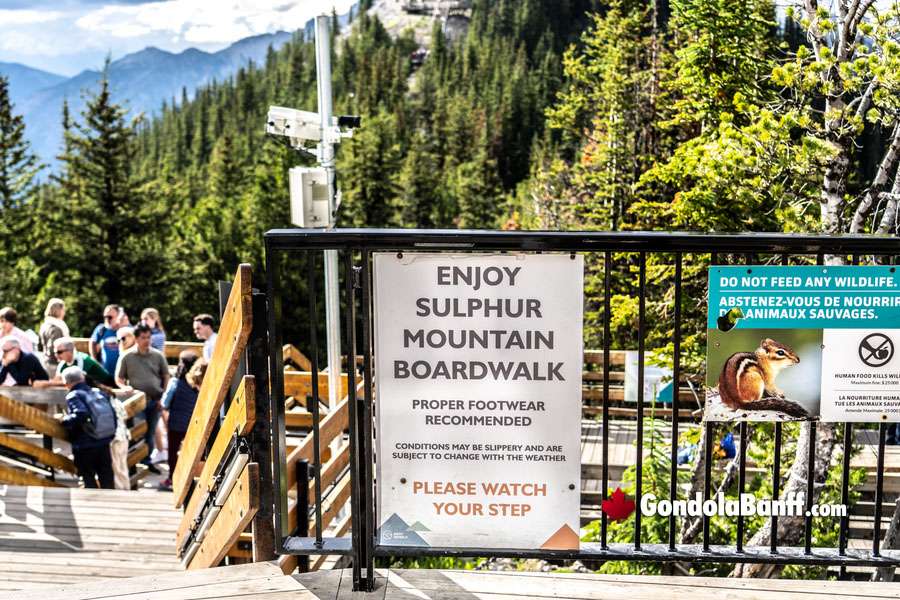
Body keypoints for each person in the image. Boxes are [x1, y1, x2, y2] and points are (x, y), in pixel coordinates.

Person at [115, 323, 169, 474]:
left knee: (150, 433)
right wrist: (124, 387)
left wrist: (163, 397)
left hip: (154, 400)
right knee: (136, 433)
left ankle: (147, 461)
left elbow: (166, 376)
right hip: (137, 403)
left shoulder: (157, 355)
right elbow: (119, 378)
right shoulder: (127, 356)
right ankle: (133, 463)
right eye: (143, 337)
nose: (147, 340)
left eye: (148, 337)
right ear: (136, 339)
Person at [58, 367, 115, 489]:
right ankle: (111, 502)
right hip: (104, 440)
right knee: (106, 475)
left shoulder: (73, 395)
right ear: (83, 378)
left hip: (85, 443)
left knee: (88, 477)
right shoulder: (98, 392)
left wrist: (64, 420)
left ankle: (93, 504)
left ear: (66, 385)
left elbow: (81, 414)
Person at [159, 352, 202, 490]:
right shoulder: (199, 384)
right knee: (194, 452)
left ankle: (173, 478)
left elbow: (165, 404)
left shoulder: (175, 382)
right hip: (194, 423)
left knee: (173, 452)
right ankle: (192, 477)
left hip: (176, 423)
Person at [38, 298, 69, 374]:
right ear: (57, 310)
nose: (64, 313)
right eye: (63, 310)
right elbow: (53, 349)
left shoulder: (44, 326)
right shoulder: (56, 329)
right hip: (54, 366)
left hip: (45, 362)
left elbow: (39, 347)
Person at [91, 304, 122, 375]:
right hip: (105, 372)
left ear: (118, 316)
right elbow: (92, 343)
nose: (107, 320)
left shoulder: (125, 329)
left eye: (110, 317)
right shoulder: (101, 329)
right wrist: (95, 361)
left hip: (122, 373)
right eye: (105, 317)